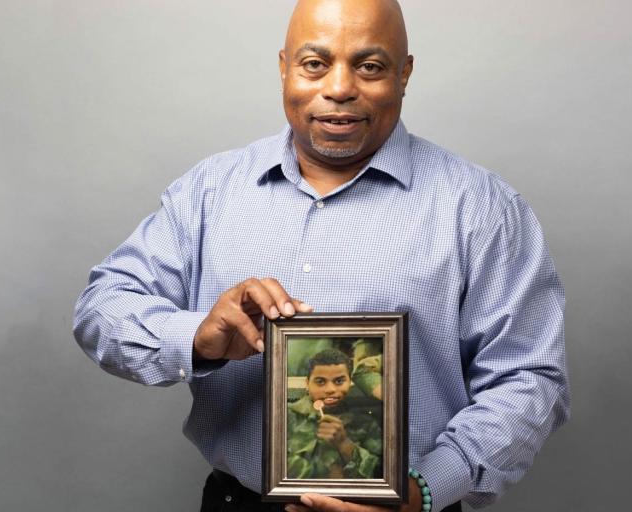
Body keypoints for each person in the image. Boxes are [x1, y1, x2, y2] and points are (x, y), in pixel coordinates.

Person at [72, 0, 569, 511]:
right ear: (285, 66)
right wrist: (199, 338)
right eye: (315, 63)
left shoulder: (483, 208)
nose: (338, 87)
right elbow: (101, 308)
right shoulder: (208, 192)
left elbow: (527, 378)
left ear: (405, 74)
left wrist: (424, 490)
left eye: (369, 66)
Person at [287, 348, 382, 480]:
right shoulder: (285, 417)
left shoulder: (366, 424)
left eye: (339, 381)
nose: (330, 389)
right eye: (320, 382)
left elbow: (378, 474)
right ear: (307, 383)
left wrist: (344, 444)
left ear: (350, 382)